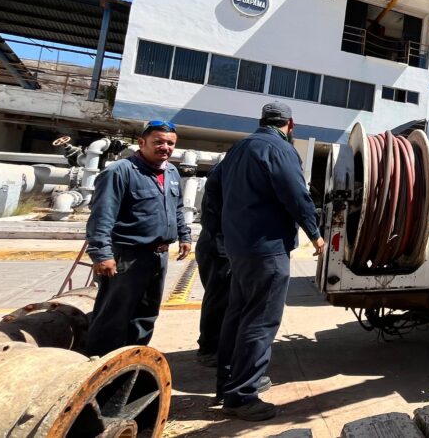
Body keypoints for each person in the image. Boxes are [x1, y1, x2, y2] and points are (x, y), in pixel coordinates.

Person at [205, 101, 326, 421]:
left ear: (262, 120)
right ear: (291, 124)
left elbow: (212, 191)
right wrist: (315, 233)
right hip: (268, 249)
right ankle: (243, 395)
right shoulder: (280, 149)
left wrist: (219, 235)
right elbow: (296, 195)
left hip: (238, 248)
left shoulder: (238, 149)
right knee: (260, 321)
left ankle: (227, 384)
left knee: (237, 315)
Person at [84, 120, 192, 356]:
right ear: (141, 143)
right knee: (113, 317)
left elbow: (177, 207)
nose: (165, 147)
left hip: (158, 256)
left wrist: (184, 235)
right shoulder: (119, 172)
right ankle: (99, 370)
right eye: (158, 142)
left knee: (145, 316)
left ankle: (132, 363)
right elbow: (101, 216)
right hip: (127, 256)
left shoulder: (171, 171)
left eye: (170, 143)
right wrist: (101, 254)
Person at [194, 163, 229, 368]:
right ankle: (210, 349)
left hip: (214, 243)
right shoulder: (227, 176)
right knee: (219, 301)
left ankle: (212, 346)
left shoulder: (221, 172)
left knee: (219, 299)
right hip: (219, 246)